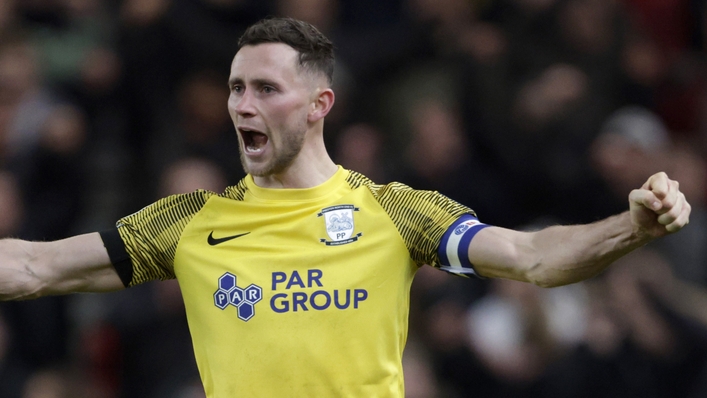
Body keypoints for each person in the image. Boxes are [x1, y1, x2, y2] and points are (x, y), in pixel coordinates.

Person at [0, 17, 691, 398]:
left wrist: (629, 226)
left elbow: (534, 257)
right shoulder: (187, 220)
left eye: (265, 88)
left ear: (318, 105)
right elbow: (32, 266)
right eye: (237, 88)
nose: (242, 104)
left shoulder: (396, 211)